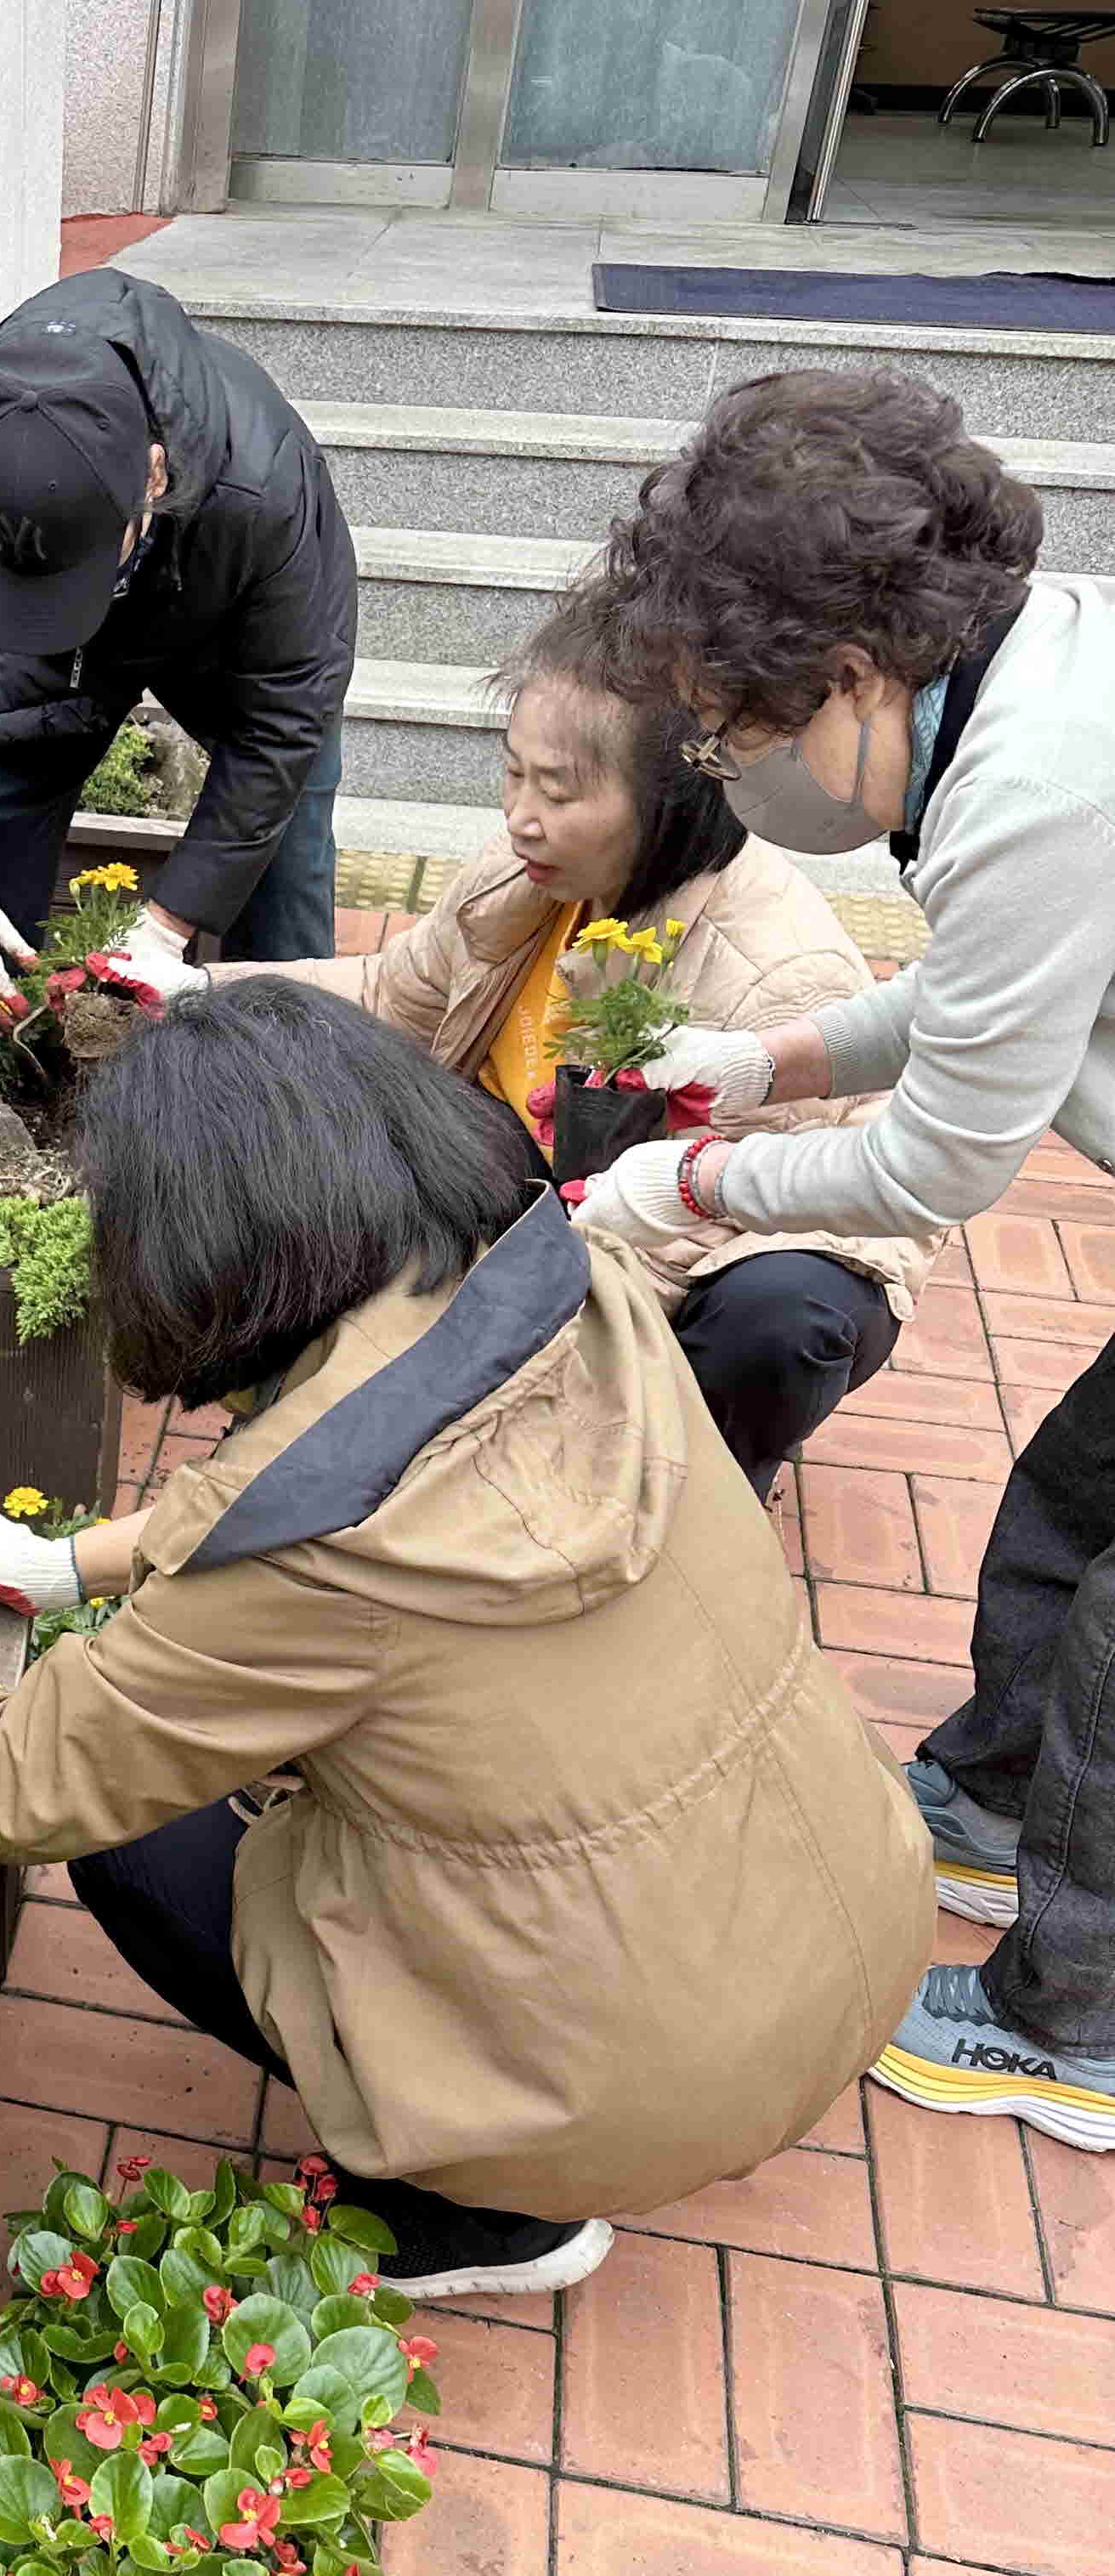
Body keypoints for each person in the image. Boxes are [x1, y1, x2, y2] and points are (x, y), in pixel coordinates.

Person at [0, 982, 931, 2295]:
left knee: (125, 1833)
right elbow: (332, 1454)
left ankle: (488, 2213)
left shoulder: (301, 1560)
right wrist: (62, 1559)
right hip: (839, 1922)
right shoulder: (569, 1290)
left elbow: (9, 1783)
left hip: (617, 2087)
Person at [557, 366, 1115, 2151]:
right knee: (1067, 1499)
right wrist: (766, 1066)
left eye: (729, 730)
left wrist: (686, 1192)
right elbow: (966, 999)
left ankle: (1072, 2021)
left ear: (856, 678)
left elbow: (950, 1157)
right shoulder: (1012, 701)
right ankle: (979, 1797)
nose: (720, 767)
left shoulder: (1035, 779)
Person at [166, 647, 936, 1499]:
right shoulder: (523, 872)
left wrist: (476, 1393)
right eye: (512, 776)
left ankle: (698, 1490)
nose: (520, 817)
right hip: (559, 1179)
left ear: (667, 801)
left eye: (558, 792)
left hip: (740, 1232)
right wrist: (196, 992)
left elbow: (679, 1238)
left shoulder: (772, 972)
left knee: (777, 1321)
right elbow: (391, 993)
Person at [0, 268, 355, 1029]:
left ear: (153, 476)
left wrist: (166, 924)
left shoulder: (264, 492)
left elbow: (280, 728)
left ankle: (290, 1067)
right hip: (56, 665)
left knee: (282, 860)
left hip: (225, 624)